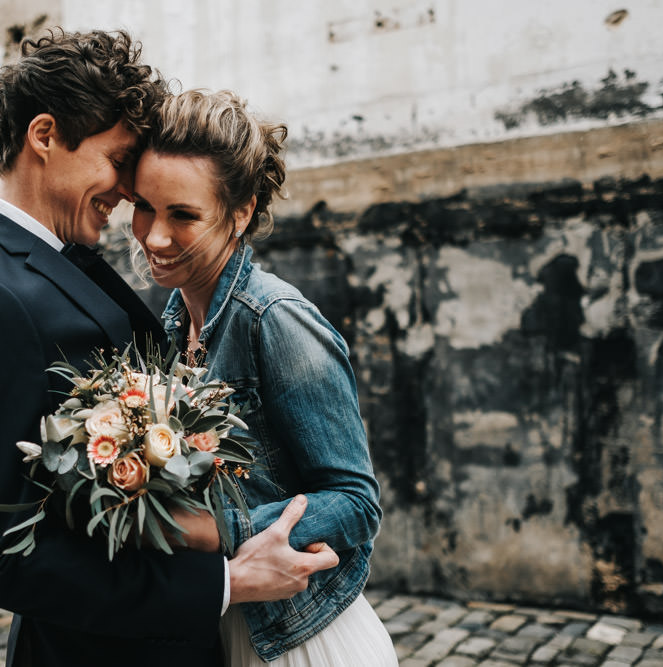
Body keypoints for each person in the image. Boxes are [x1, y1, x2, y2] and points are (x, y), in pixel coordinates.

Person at [0, 30, 340, 667]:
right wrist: (225, 584)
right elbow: (7, 558)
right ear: (45, 136)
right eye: (116, 160)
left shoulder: (76, 261)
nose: (126, 192)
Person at [130, 89, 398, 666]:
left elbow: (357, 502)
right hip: (226, 629)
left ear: (242, 210)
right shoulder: (173, 327)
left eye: (182, 215)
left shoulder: (275, 319)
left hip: (306, 642)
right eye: (143, 206)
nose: (153, 236)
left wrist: (213, 530)